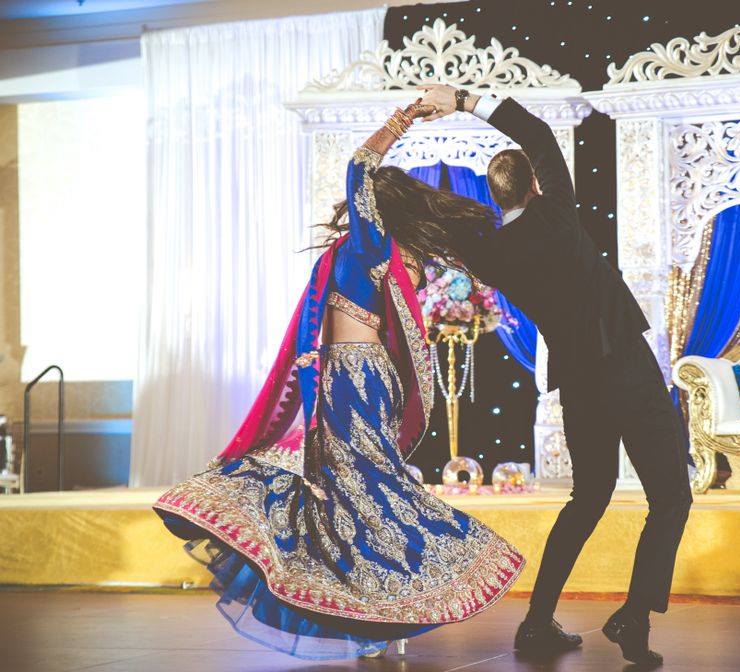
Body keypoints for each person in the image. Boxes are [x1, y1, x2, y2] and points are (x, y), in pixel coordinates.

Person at [153, 100, 525, 661]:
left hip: (353, 377)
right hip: (357, 375)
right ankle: (378, 612)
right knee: (351, 488)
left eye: (367, 198)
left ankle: (386, 604)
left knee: (359, 487)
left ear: (376, 205)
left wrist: (400, 121)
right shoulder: (378, 251)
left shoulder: (369, 245)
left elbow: (359, 165)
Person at [420, 84, 692, 667]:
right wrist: (464, 100)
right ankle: (633, 614)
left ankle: (537, 621)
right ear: (537, 185)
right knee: (670, 499)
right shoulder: (557, 216)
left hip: (579, 384)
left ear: (497, 197)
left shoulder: (492, 251)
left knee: (588, 497)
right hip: (624, 368)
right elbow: (538, 134)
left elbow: (440, 225)